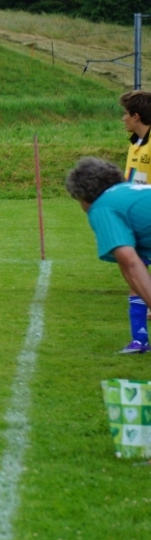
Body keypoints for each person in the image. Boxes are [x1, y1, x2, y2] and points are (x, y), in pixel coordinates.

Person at [66, 157, 151, 355]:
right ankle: (140, 340)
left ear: (83, 195)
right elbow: (132, 267)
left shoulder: (102, 206)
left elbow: (130, 261)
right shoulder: (128, 193)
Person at [118, 91, 151, 351]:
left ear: (136, 116)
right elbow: (132, 181)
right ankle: (139, 339)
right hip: (140, 218)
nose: (123, 118)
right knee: (135, 272)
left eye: (126, 114)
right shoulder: (135, 144)